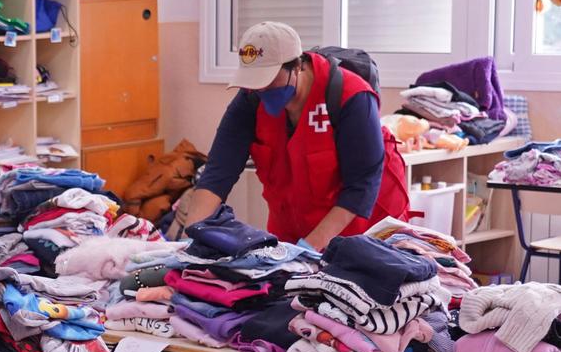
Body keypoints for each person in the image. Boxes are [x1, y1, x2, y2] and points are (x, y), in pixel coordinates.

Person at [175, 21, 410, 249]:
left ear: (297, 65)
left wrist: (307, 249)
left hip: (364, 224)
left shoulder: (351, 96)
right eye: (255, 82)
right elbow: (218, 172)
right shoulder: (251, 99)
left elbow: (361, 188)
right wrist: (191, 238)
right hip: (293, 223)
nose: (261, 90)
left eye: (268, 80)